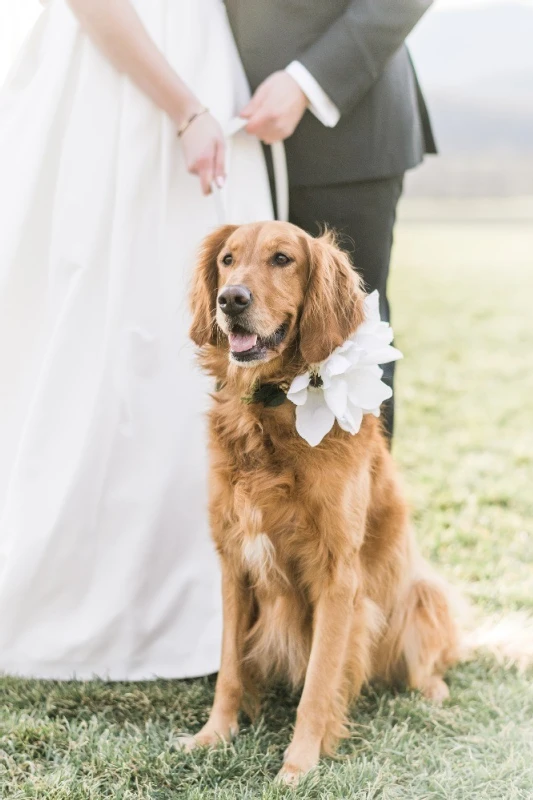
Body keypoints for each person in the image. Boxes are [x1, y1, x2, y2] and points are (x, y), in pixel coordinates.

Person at [0, 0, 272, 680]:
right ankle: (85, 592)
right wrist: (184, 108)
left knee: (187, 355)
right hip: (125, 91)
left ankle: (209, 596)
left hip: (205, 69)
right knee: (106, 329)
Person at [225, 0, 437, 439]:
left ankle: (352, 507)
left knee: (348, 343)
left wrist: (307, 82)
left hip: (345, 138)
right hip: (213, 140)